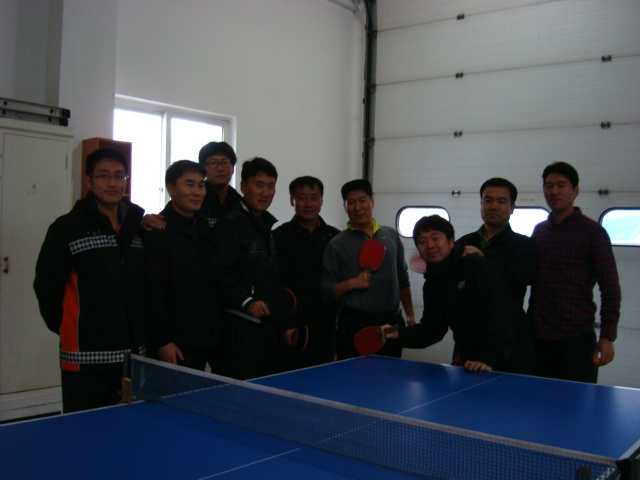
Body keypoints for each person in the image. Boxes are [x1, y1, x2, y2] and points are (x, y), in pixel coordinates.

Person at [33, 148, 146, 413]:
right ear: (89, 181)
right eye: (103, 175)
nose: (112, 183)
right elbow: (46, 288)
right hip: (85, 358)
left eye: (119, 176)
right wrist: (72, 329)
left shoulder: (136, 227)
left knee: (129, 429)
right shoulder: (66, 227)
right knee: (83, 430)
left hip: (132, 356)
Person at [384, 215, 534, 374]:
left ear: (451, 242)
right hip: (473, 360)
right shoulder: (433, 282)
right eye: (422, 241)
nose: (429, 245)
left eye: (435, 238)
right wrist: (398, 333)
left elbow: (502, 317)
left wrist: (488, 359)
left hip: (510, 357)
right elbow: (432, 330)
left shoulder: (475, 265)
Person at [529, 162, 621, 383]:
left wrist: (607, 336)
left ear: (575, 191)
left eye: (561, 185)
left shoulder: (593, 233)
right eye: (549, 185)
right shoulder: (539, 231)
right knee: (538, 399)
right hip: (537, 338)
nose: (554, 191)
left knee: (578, 401)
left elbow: (610, 288)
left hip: (576, 340)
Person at [210, 157, 294, 379]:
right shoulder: (228, 225)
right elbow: (220, 275)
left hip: (267, 328)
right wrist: (247, 302)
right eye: (259, 185)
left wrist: (285, 323)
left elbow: (272, 278)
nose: (265, 192)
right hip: (238, 331)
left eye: (270, 186)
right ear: (243, 187)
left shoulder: (267, 226)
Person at [142, 160, 224, 372]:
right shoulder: (157, 231)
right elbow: (153, 291)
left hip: (205, 336)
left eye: (201, 185)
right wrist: (163, 340)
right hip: (174, 342)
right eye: (189, 185)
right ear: (171, 188)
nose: (197, 192)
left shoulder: (204, 227)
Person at [320, 179, 415, 360]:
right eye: (351, 202)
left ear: (372, 201)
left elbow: (402, 278)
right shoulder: (337, 244)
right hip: (355, 324)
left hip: (392, 322)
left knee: (391, 374)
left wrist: (410, 314)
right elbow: (326, 290)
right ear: (345, 206)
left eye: (362, 200)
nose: (357, 207)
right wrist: (352, 283)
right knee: (355, 375)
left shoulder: (391, 236)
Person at [273, 176, 340, 369]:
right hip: (294, 328)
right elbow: (276, 284)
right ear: (292, 200)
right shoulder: (279, 237)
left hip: (327, 327)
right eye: (302, 198)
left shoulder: (335, 237)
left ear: (321, 200)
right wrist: (286, 324)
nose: (308, 204)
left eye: (314, 197)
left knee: (324, 378)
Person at [456, 177, 535, 307]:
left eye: (501, 202)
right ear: (481, 204)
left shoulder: (524, 245)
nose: (493, 206)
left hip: (506, 319)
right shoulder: (465, 242)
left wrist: (484, 256)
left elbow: (522, 278)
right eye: (488, 201)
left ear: (512, 208)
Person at [141, 141, 241, 230]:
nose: (220, 168)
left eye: (225, 162)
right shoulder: (194, 200)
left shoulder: (239, 203)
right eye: (213, 163)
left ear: (232, 168)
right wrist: (142, 221)